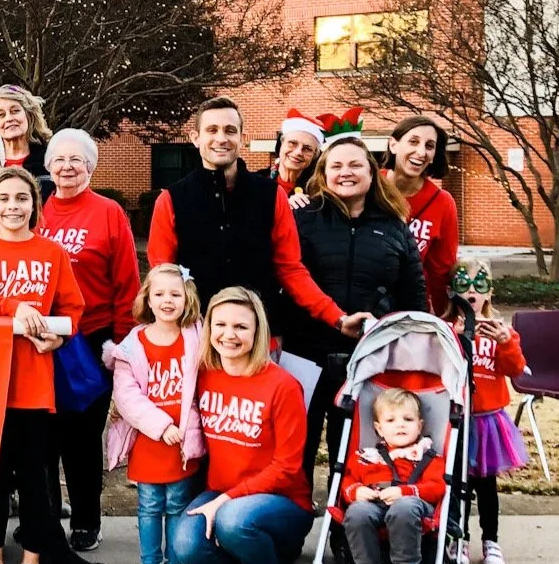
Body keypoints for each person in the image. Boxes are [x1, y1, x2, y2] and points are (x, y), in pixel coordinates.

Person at [0, 169, 106, 564]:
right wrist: (11, 306)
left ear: (33, 206)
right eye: (5, 198)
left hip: (36, 385)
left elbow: (72, 309)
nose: (14, 206)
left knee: (38, 483)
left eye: (22, 198)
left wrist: (57, 337)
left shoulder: (51, 253)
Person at [147, 97, 360, 343]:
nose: (221, 138)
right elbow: (162, 277)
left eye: (230, 130)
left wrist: (336, 317)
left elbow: (290, 268)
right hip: (197, 336)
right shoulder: (171, 199)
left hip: (260, 336)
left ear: (242, 137)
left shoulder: (271, 195)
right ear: (196, 138)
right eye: (212, 130)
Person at [286, 133, 427, 486]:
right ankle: (292, 524)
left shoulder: (395, 227)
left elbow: (414, 297)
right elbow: (286, 278)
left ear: (372, 172)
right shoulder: (302, 219)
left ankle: (347, 529)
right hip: (304, 353)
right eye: (336, 166)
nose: (345, 172)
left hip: (367, 357)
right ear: (323, 173)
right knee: (295, 447)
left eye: (354, 165)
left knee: (352, 447)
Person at [169, 286, 313, 564]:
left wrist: (227, 500)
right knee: (184, 545)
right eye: (220, 325)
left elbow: (288, 467)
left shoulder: (283, 386)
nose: (228, 335)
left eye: (240, 327)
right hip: (224, 493)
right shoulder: (203, 376)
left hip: (281, 501)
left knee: (234, 520)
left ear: (257, 332)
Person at [38, 127, 141, 552]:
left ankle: (85, 519)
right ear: (48, 167)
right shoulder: (38, 209)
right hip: (42, 337)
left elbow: (127, 282)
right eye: (59, 160)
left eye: (75, 160)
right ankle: (45, 516)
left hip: (92, 339)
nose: (66, 167)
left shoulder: (108, 212)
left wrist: (118, 344)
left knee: (83, 437)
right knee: (45, 434)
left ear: (90, 166)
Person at [104, 264, 206, 564]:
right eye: (159, 294)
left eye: (175, 294)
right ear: (147, 298)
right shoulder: (133, 344)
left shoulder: (196, 337)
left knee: (178, 504)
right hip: (150, 440)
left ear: (186, 297)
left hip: (183, 442)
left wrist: (186, 429)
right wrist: (161, 427)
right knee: (149, 506)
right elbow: (127, 396)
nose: (167, 300)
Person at [447, 259, 527, 564]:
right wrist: (453, 335)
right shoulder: (447, 327)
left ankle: (491, 541)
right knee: (457, 484)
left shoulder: (501, 331)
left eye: (478, 285)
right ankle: (460, 539)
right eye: (463, 284)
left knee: (486, 487)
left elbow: (516, 369)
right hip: (457, 419)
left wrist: (505, 343)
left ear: (489, 292)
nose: (471, 292)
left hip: (489, 422)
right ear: (452, 290)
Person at [341, 386, 443, 564]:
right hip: (375, 503)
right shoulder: (367, 458)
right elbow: (347, 483)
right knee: (357, 512)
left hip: (414, 505)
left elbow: (437, 488)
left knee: (403, 508)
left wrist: (406, 492)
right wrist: (357, 491)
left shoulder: (427, 457)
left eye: (408, 419)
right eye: (391, 420)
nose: (400, 424)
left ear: (420, 425)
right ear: (378, 428)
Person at [386, 115, 460, 308]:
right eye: (413, 142)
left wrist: (444, 314)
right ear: (393, 145)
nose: (421, 152)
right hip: (365, 308)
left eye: (429, 146)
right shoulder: (368, 187)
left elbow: (442, 269)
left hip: (415, 308)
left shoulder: (442, 202)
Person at [0, 85, 52, 182]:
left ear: (29, 115)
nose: (9, 118)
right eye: (1, 115)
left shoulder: (50, 159)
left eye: (15, 111)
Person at [271, 109, 326, 196]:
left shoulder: (320, 191)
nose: (298, 152)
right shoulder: (256, 183)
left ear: (315, 156)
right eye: (292, 143)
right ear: (281, 145)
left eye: (307, 149)